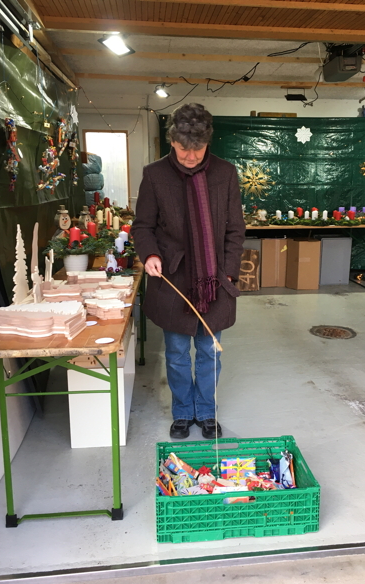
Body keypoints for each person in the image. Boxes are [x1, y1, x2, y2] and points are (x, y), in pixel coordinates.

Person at [131, 103, 245, 440]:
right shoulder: (155, 174)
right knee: (178, 353)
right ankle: (183, 411)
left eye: (197, 149)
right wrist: (149, 254)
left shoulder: (225, 173)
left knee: (210, 352)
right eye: (184, 148)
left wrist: (228, 273)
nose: (191, 156)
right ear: (172, 142)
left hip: (214, 279)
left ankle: (207, 412)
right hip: (173, 278)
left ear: (208, 142)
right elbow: (142, 226)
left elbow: (235, 230)